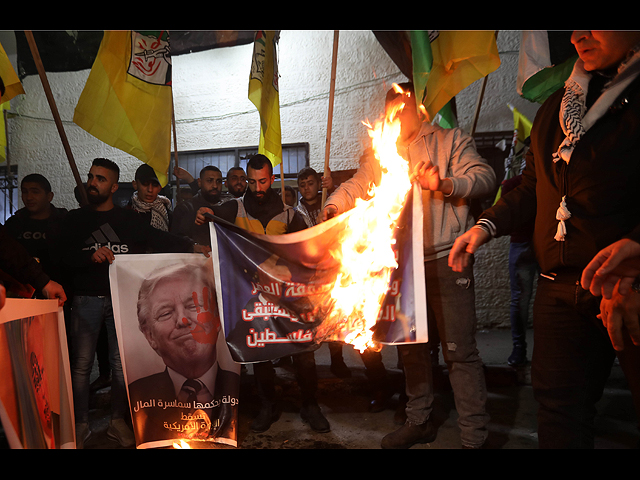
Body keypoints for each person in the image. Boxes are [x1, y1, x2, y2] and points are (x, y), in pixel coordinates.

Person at [449, 31, 640, 448]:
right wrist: (485, 227)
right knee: (559, 413)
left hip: (626, 289)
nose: (577, 37)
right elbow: (533, 187)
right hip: (558, 292)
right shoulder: (557, 107)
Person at [323, 82, 496, 449]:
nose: (397, 115)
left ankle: (474, 436)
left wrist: (445, 183)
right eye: (392, 108)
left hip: (449, 259)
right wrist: (335, 207)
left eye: (403, 107)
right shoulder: (383, 152)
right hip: (403, 267)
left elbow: (484, 177)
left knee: (459, 351)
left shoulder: (450, 140)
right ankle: (419, 420)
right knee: (412, 349)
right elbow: (356, 184)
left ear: (419, 108)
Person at [59, 157, 198, 448]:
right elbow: (61, 258)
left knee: (121, 365)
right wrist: (89, 256)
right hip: (85, 301)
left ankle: (117, 420)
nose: (92, 182)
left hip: (121, 300)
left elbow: (160, 240)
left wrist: (192, 248)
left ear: (113, 187)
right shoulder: (75, 220)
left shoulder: (128, 220)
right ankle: (80, 423)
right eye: (91, 176)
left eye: (100, 179)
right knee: (81, 365)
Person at [195, 154, 330, 434]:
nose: (257, 188)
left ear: (273, 178)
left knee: (304, 352)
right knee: (261, 353)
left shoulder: (290, 214)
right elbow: (208, 223)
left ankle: (310, 404)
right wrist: (202, 216)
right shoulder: (234, 209)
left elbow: (307, 252)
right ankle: (268, 405)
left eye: (263, 181)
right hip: (254, 298)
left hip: (290, 297)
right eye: (252, 181)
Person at [127, 262, 240, 444]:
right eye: (165, 313)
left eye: (195, 305)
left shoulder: (240, 388)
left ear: (217, 318)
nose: (183, 320)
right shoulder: (138, 396)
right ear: (150, 336)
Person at [500, 174, 538, 366]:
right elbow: (504, 215)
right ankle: (519, 349)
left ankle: (522, 349)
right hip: (525, 242)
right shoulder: (514, 184)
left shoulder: (514, 184)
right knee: (521, 301)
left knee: (525, 300)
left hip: (544, 242)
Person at [171, 165, 223, 246]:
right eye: (209, 180)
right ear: (199, 182)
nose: (215, 186)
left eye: (219, 181)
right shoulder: (185, 209)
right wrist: (193, 247)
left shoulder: (228, 205)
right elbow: (176, 241)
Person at [129, 164, 172, 231]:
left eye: (155, 185)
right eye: (145, 184)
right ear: (135, 184)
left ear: (159, 188)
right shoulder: (127, 212)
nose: (150, 190)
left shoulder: (167, 211)